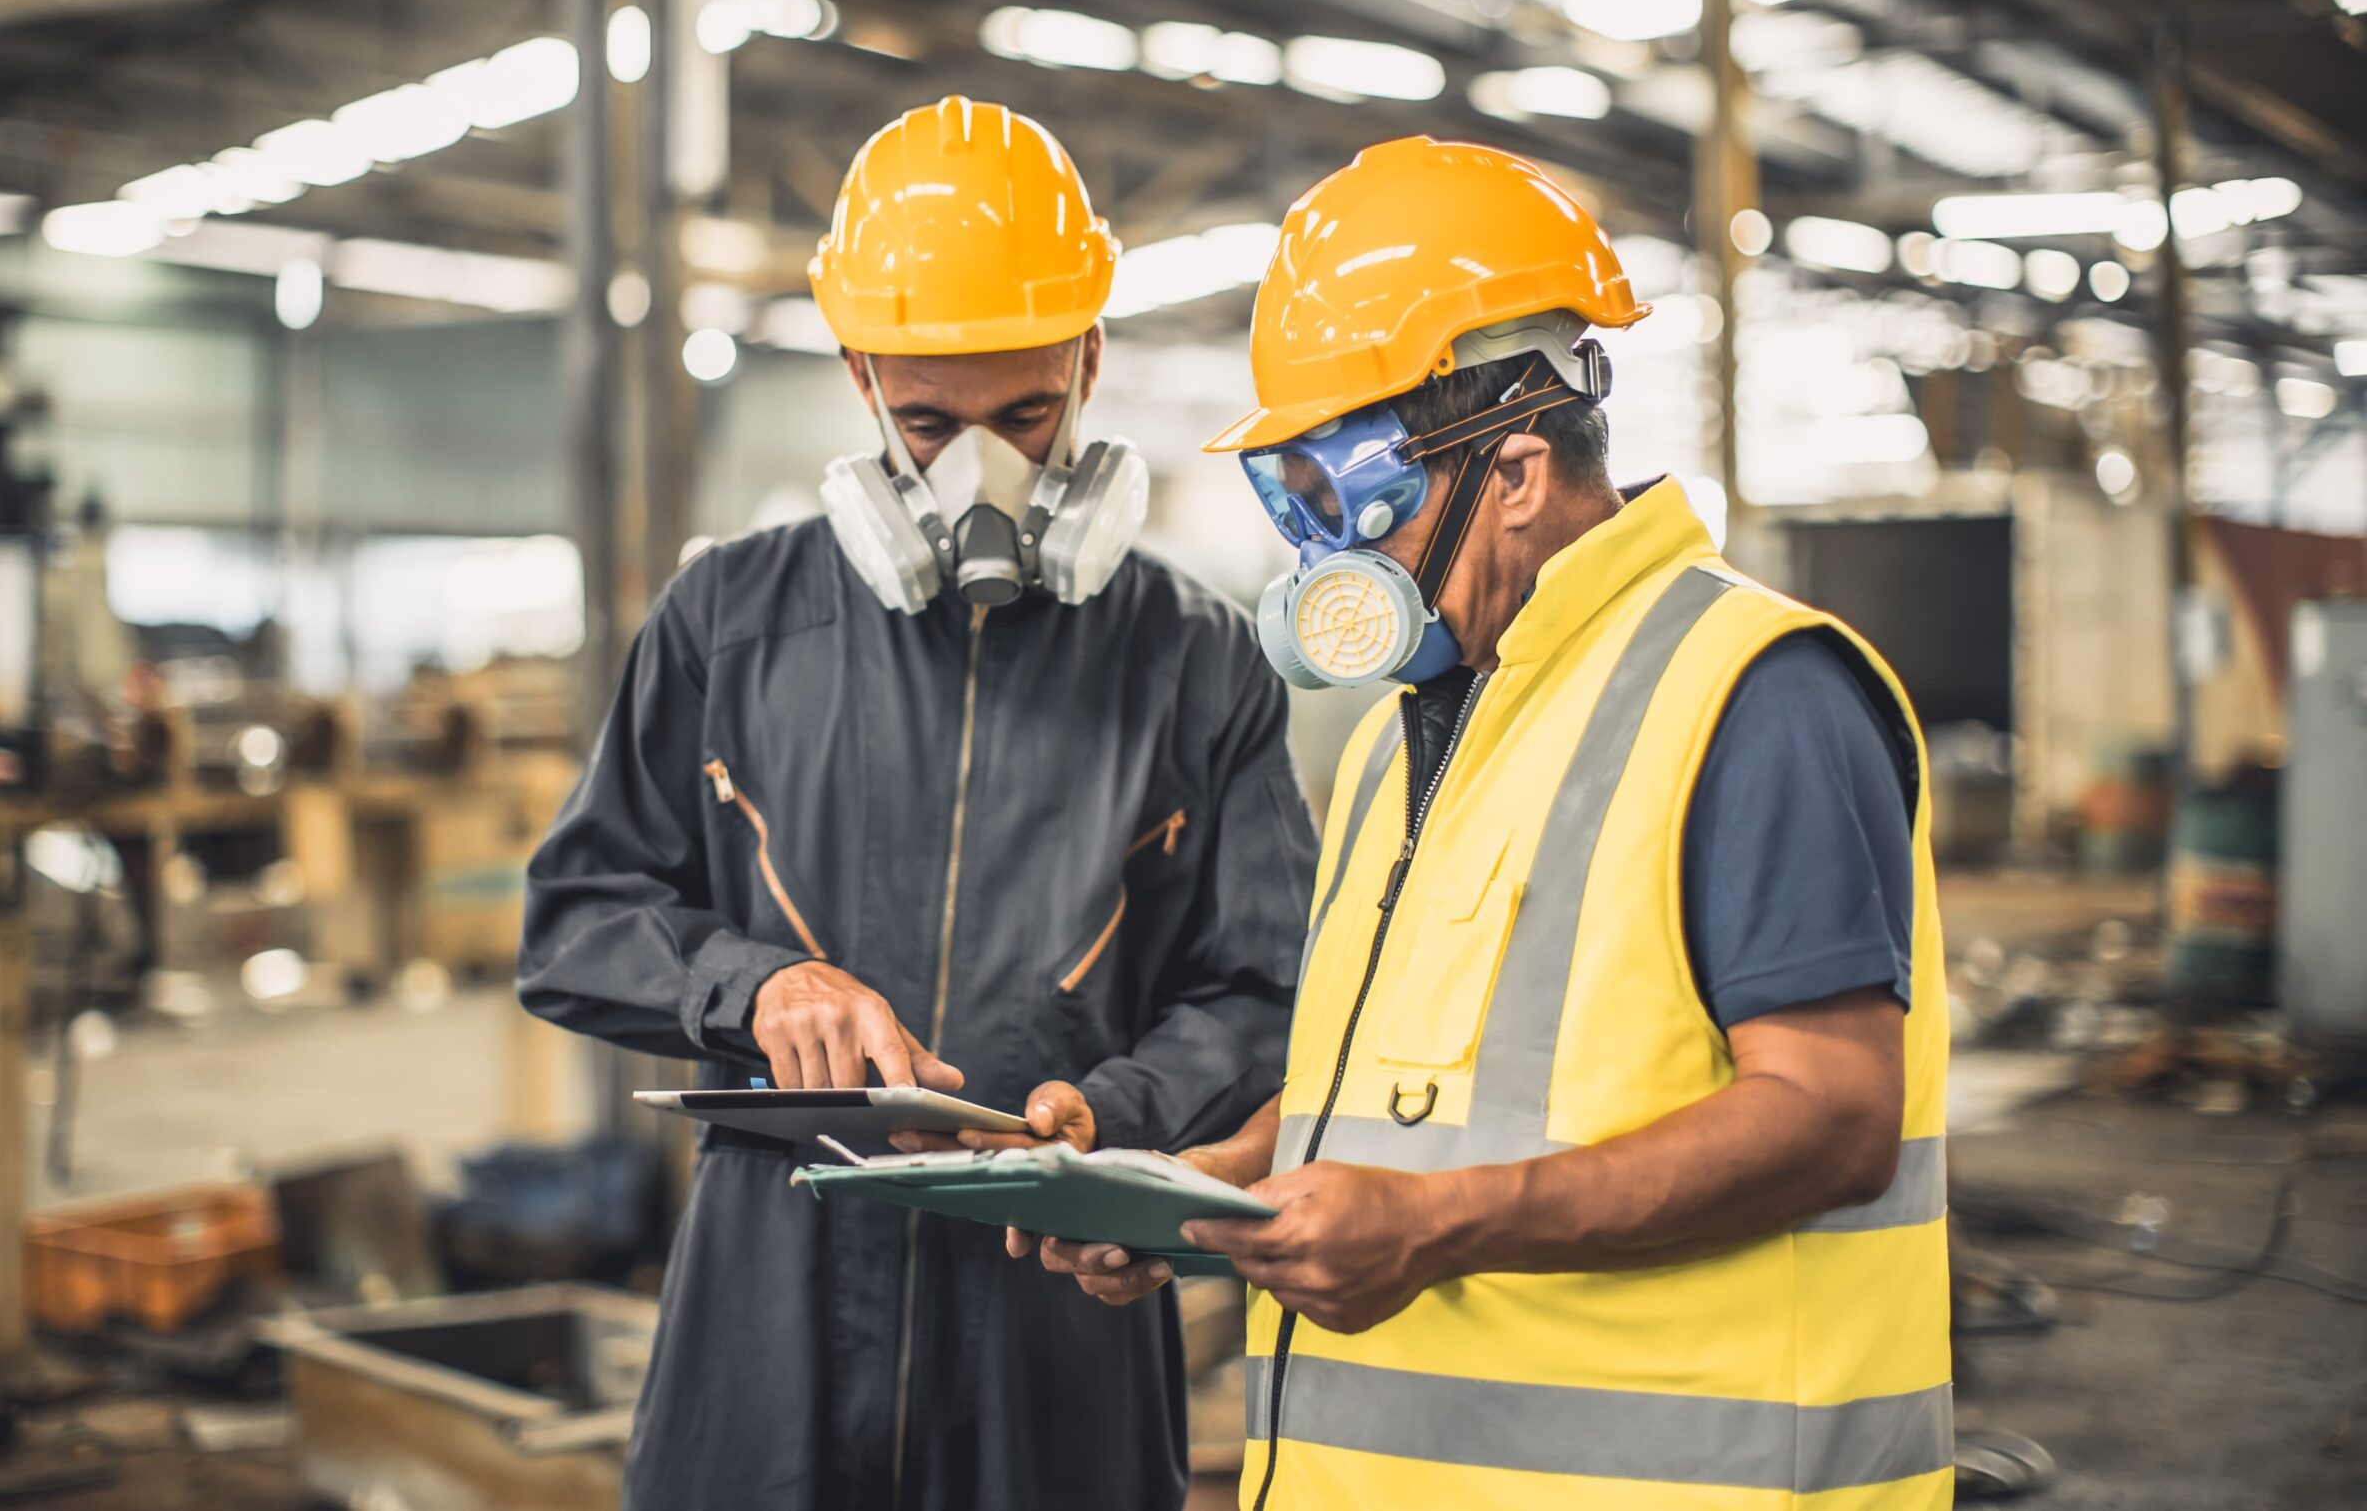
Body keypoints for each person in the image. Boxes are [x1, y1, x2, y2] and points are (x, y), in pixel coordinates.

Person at [1023, 136, 1953, 1509]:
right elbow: (1407, 1094)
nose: (1322, 560)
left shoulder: (1755, 695)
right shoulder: (1421, 733)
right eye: (1292, 505)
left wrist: (1435, 1225)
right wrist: (1215, 1188)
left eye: (1341, 500)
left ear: (1514, 468)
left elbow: (1832, 1117)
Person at [518, 95, 1317, 1511]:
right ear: (857, 371)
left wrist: (1119, 1108)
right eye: (928, 420)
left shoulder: (1199, 662)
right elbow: (578, 917)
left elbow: (1268, 989)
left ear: (1090, 355)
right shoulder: (728, 623)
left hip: (1056, 1311)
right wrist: (755, 988)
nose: (981, 473)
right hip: (768, 1317)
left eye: (1027, 413)